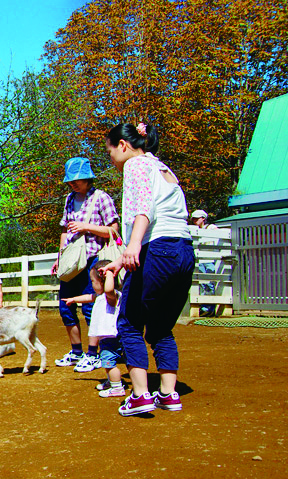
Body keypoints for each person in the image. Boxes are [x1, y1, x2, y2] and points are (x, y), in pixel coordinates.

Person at [104, 122, 194, 416]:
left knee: (129, 322)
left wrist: (132, 246)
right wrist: (123, 257)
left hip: (157, 249)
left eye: (110, 152)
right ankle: (169, 394)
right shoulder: (162, 167)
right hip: (182, 250)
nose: (112, 160)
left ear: (124, 145)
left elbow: (144, 209)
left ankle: (140, 395)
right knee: (161, 326)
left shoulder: (136, 165)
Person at [51, 157, 120, 373]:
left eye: (76, 180)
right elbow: (64, 230)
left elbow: (114, 231)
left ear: (87, 179)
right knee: (66, 306)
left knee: (92, 307)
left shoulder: (102, 198)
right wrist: (60, 256)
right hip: (72, 261)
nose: (72, 184)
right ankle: (76, 351)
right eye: (70, 181)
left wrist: (86, 227)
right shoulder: (69, 199)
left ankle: (94, 354)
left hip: (94, 259)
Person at [62, 260, 126, 397]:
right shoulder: (100, 296)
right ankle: (112, 381)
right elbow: (88, 297)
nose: (91, 284)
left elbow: (108, 289)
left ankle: (117, 387)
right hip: (105, 338)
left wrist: (108, 273)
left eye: (92, 281)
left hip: (112, 338)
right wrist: (73, 299)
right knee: (106, 361)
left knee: (109, 363)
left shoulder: (111, 296)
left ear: (103, 281)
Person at [191, 209, 218, 316]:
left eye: (197, 219)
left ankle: (210, 308)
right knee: (201, 284)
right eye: (194, 219)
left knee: (209, 284)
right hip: (200, 260)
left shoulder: (211, 228)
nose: (195, 221)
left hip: (209, 260)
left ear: (203, 219)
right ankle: (204, 307)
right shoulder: (194, 230)